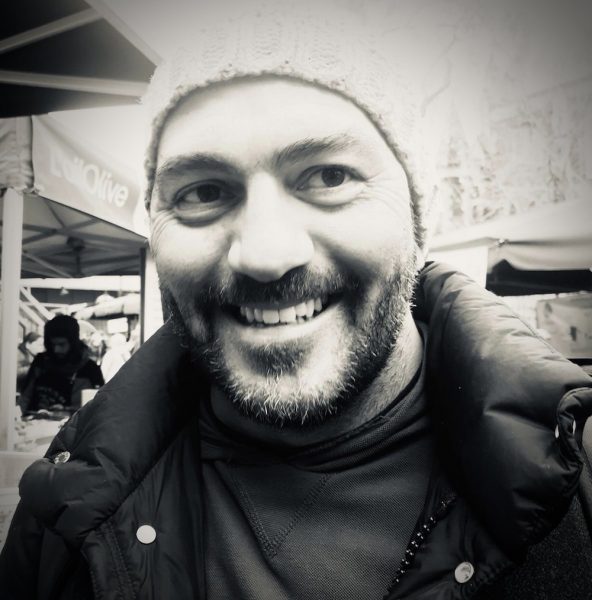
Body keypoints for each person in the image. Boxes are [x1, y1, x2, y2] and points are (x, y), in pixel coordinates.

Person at [2, 4, 592, 599]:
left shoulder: (575, 473)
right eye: (203, 192)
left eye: (330, 177)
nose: (265, 253)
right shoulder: (67, 509)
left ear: (421, 221)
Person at [18, 314, 104, 415]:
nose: (56, 350)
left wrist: (66, 410)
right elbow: (25, 396)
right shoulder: (41, 361)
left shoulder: (90, 369)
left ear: (73, 342)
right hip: (32, 421)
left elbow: (97, 407)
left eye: (62, 344)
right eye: (52, 344)